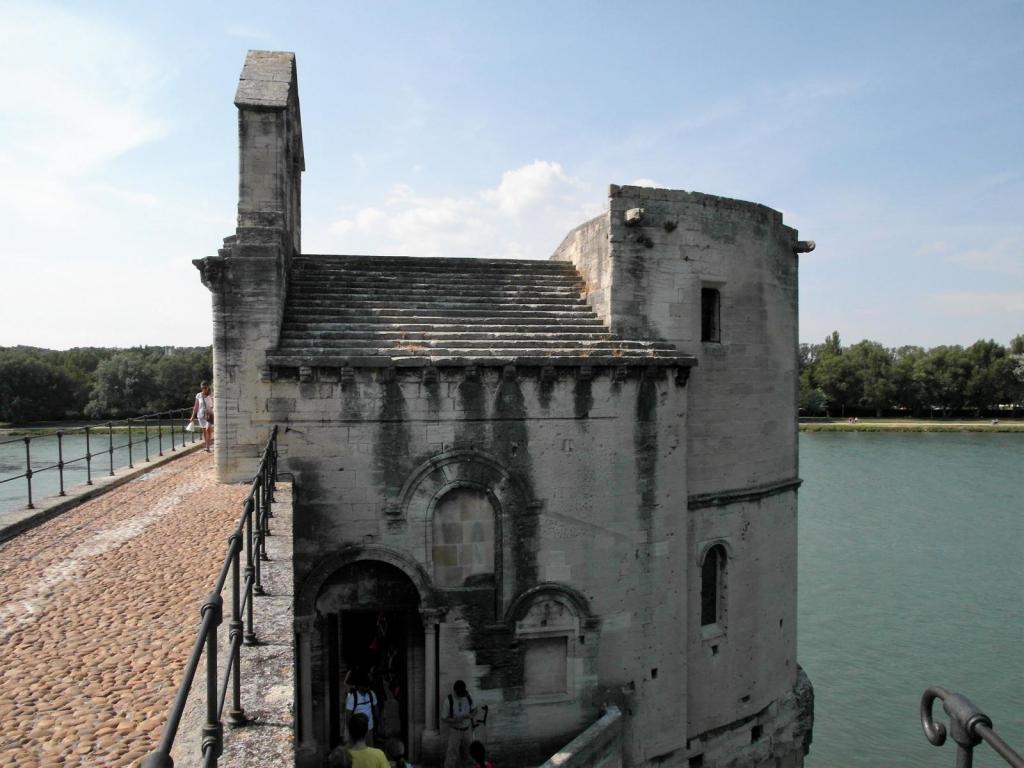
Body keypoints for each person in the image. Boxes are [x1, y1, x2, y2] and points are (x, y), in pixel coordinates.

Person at [443, 680, 477, 768]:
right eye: (460, 693)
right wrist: (454, 720)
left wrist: (471, 715)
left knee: (469, 754)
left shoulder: (469, 696)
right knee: (451, 756)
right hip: (455, 731)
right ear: (455, 691)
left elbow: (475, 709)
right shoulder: (448, 700)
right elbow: (444, 718)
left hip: (467, 730)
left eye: (463, 693)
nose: (462, 695)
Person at [345, 671, 380, 746]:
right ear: (359, 686)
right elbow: (348, 716)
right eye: (365, 686)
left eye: (368, 685)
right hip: (357, 731)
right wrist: (350, 731)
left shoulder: (371, 694)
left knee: (369, 749)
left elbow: (376, 709)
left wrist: (377, 722)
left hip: (369, 729)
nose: (367, 687)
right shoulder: (352, 698)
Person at [189, 381, 215, 453]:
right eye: (202, 388)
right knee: (204, 431)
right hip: (201, 415)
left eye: (205, 388)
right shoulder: (198, 395)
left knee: (208, 430)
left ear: (208, 388)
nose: (204, 389)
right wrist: (192, 417)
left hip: (209, 415)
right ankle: (207, 446)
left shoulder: (211, 395)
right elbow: (196, 406)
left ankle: (208, 446)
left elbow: (213, 405)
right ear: (201, 388)